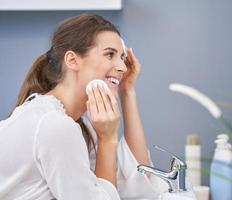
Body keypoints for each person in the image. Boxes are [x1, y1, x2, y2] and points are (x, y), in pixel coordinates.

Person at [0, 13, 166, 200]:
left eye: (122, 58)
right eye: (110, 54)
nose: (122, 67)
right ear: (72, 60)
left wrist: (127, 92)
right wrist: (108, 139)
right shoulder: (56, 126)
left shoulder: (77, 125)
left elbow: (139, 180)